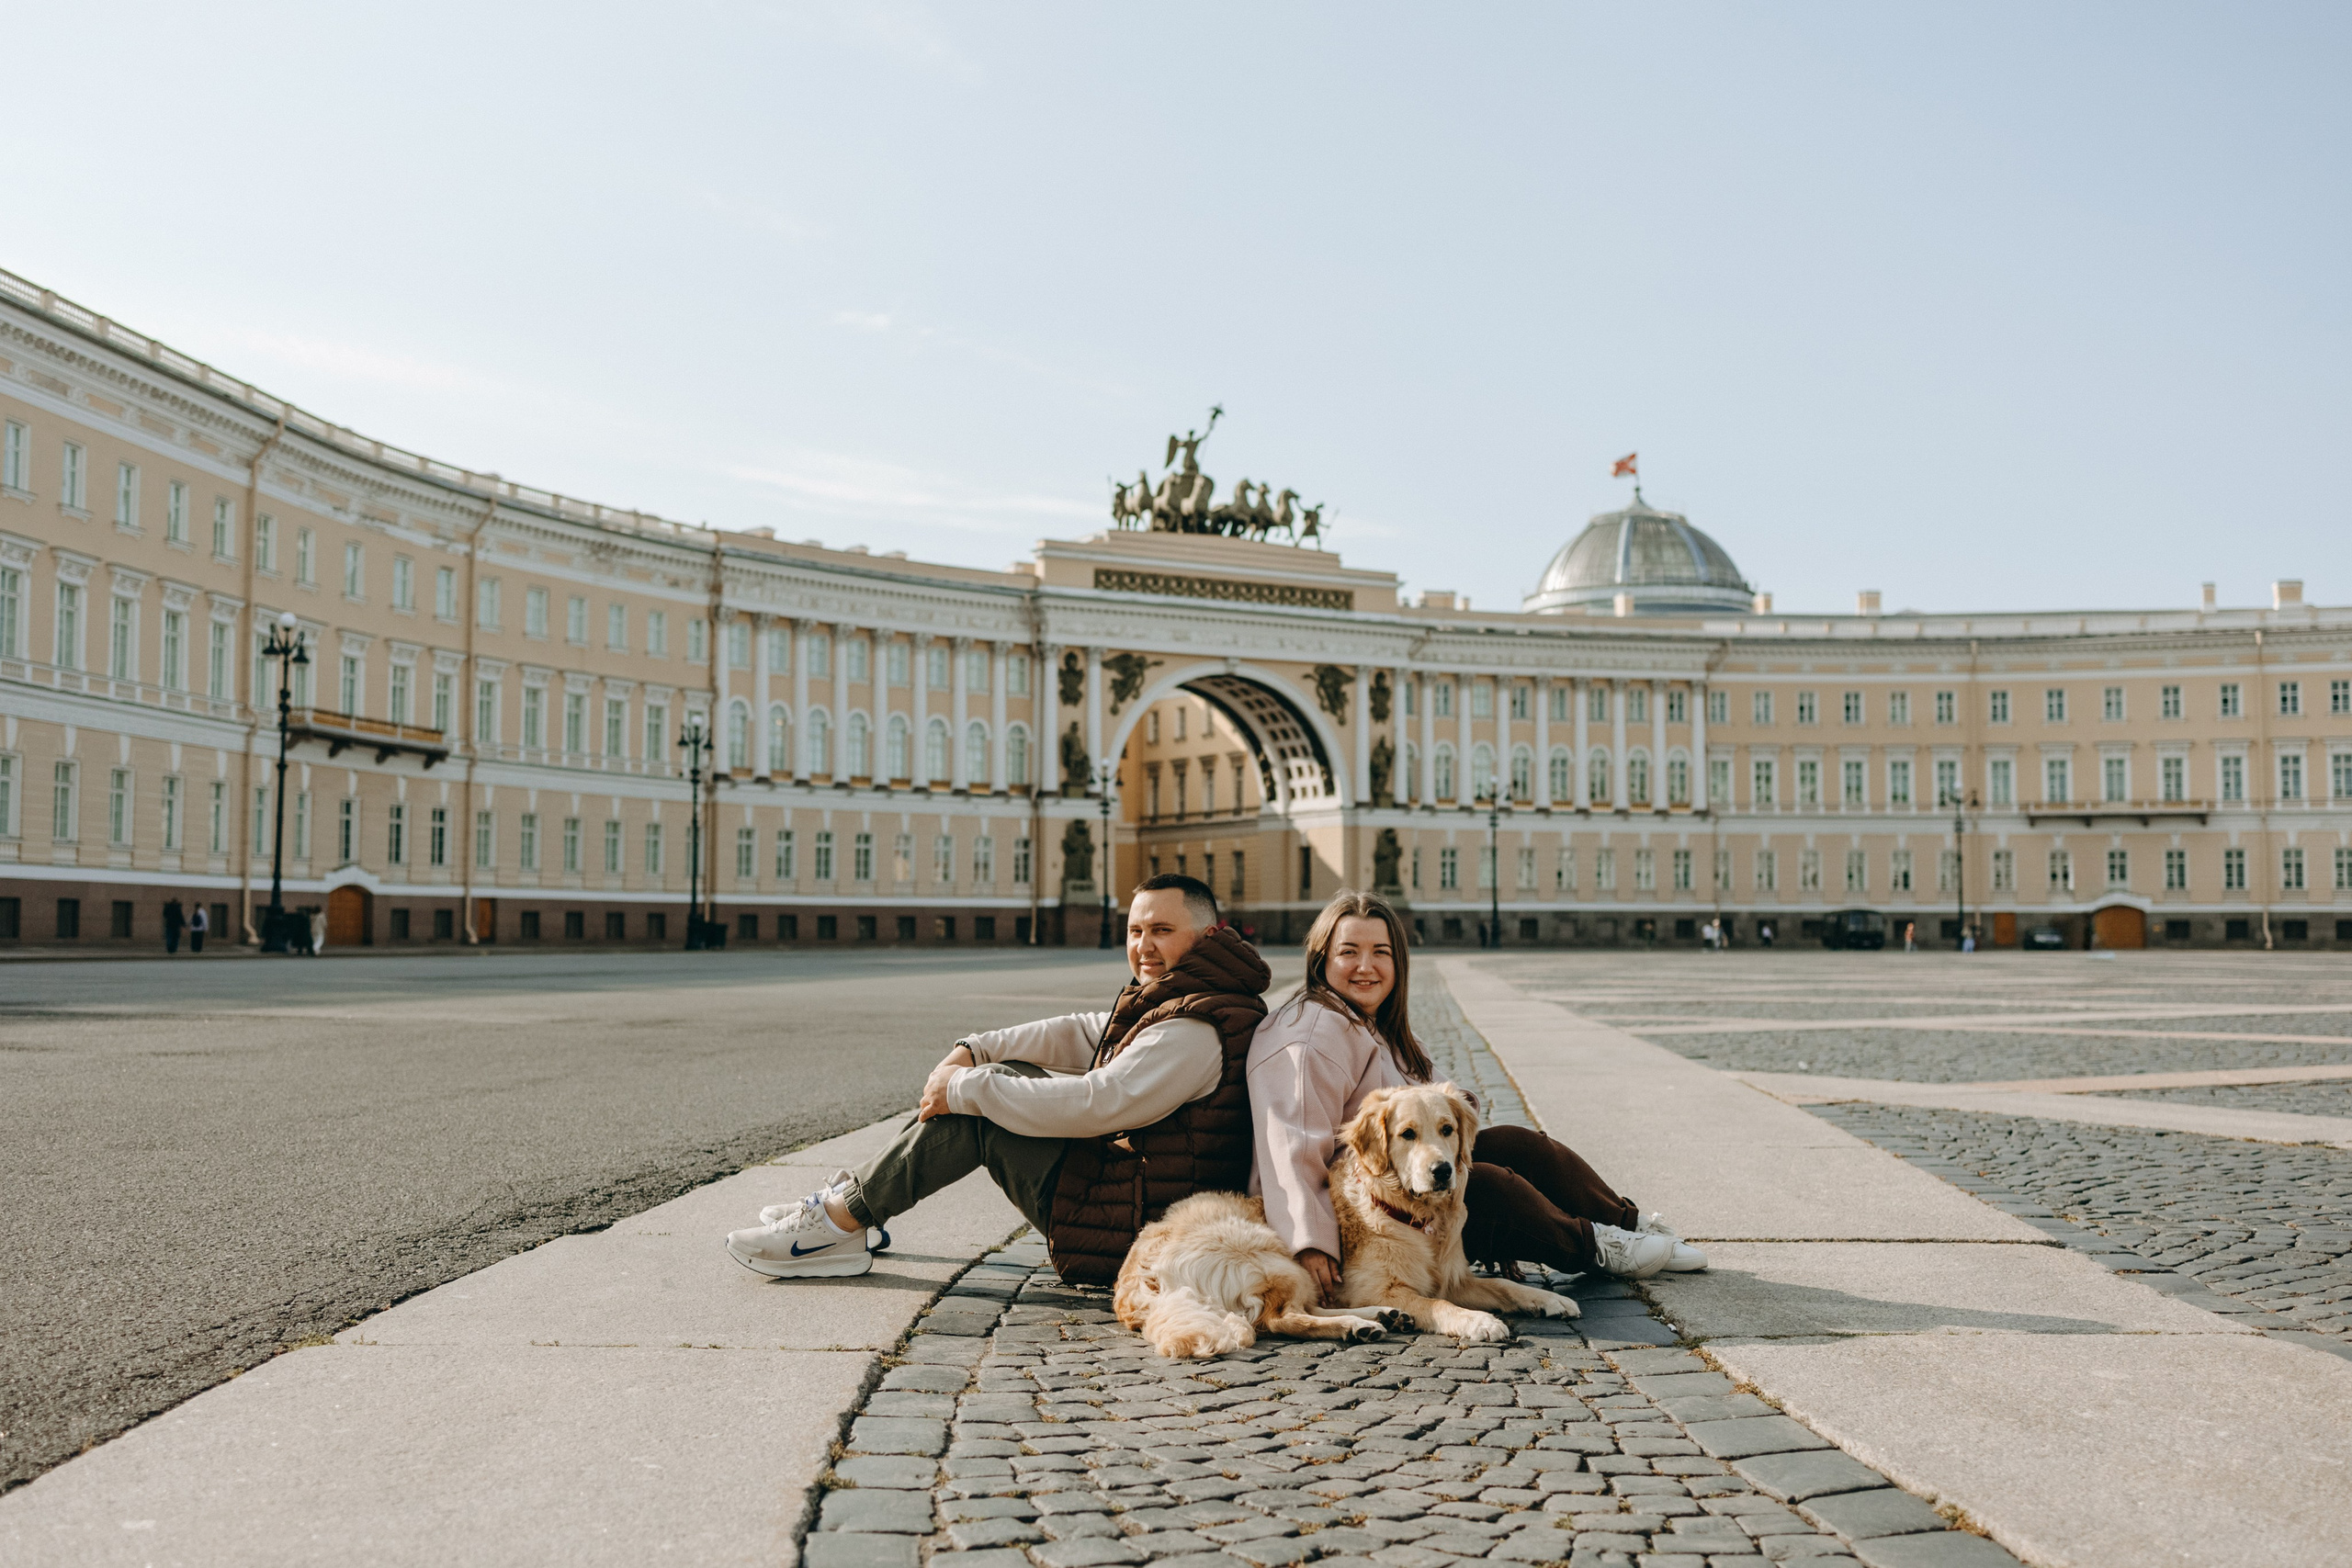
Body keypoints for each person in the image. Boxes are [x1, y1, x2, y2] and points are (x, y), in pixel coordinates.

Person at [727, 874, 1270, 1284]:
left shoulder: (1195, 1026)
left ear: (1207, 935)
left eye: (1162, 931)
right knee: (1000, 1079)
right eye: (1135, 930)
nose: (1143, 946)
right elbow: (1085, 1034)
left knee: (978, 1114)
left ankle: (836, 1225)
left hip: (1135, 1233)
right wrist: (976, 1048)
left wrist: (967, 1087)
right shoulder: (1189, 995)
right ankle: (855, 1205)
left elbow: (1098, 1104)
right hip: (1128, 1198)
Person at [1249, 889, 1705, 1295]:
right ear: (1321, 959)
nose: (1366, 967)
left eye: (1381, 952)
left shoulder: (1375, 1024)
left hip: (1409, 1187)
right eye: (1349, 952)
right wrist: (1310, 1242)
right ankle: (1593, 1247)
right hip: (1365, 1221)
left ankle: (1628, 1223)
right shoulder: (1309, 1036)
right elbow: (1289, 1150)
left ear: (1398, 962)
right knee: (1487, 1186)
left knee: (1514, 1143)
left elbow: (1448, 1096)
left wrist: (1456, 1131)